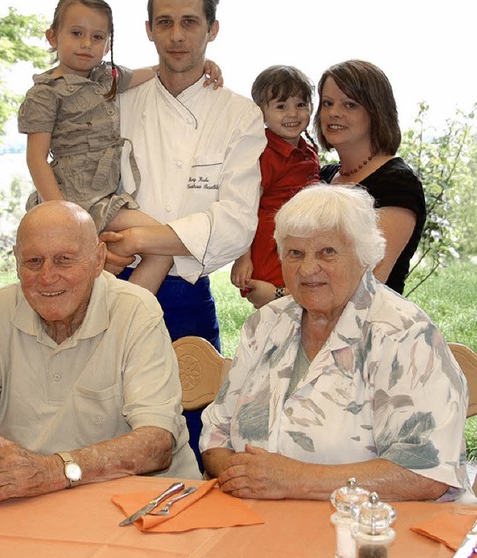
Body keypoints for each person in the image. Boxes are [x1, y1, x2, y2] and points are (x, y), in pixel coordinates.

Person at [200, 183, 472, 502]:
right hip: (262, 522)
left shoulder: (403, 332)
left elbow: (426, 473)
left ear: (363, 254)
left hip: (374, 531)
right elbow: (216, 437)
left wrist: (295, 481)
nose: (307, 268)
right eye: (295, 253)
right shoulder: (265, 323)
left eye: (327, 252)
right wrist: (249, 478)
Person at [101, 0, 266, 467]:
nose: (177, 35)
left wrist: (139, 237)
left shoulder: (238, 114)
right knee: (108, 425)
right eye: (165, 23)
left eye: (189, 22)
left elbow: (237, 223)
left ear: (212, 30)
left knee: (197, 435)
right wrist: (107, 243)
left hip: (184, 294)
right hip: (110, 280)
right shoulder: (115, 105)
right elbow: (79, 182)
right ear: (148, 30)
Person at [0, 200, 200, 507]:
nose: (47, 276)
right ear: (16, 262)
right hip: (33, 501)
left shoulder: (136, 310)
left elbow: (157, 444)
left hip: (148, 503)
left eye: (64, 260)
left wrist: (54, 470)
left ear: (98, 259)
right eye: (34, 261)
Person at [17, 0, 221, 295]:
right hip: (73, 198)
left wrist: (204, 65)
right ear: (52, 36)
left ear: (108, 43)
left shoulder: (108, 77)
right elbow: (36, 159)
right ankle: (119, 322)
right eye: (76, 33)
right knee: (149, 246)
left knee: (159, 246)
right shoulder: (46, 93)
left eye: (98, 37)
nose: (87, 44)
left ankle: (126, 319)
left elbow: (157, 71)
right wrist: (66, 217)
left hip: (108, 197)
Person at [316, 59, 426, 294]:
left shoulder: (397, 184)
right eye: (327, 103)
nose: (334, 113)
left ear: (376, 111)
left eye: (350, 105)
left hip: (369, 326)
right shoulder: (321, 177)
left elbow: (365, 281)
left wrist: (279, 294)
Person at [231, 65, 320, 308]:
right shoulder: (263, 152)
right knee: (275, 313)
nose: (292, 113)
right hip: (269, 243)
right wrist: (242, 257)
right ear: (261, 113)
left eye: (301, 104)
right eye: (281, 106)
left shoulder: (307, 149)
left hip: (299, 241)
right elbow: (244, 205)